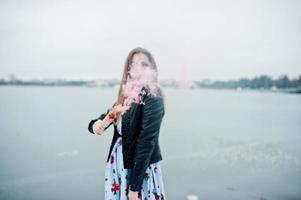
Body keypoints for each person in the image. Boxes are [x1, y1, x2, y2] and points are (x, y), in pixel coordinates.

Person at [88, 47, 166, 200]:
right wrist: (97, 125)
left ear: (152, 69)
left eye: (144, 64)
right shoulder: (128, 93)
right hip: (119, 163)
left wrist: (134, 187)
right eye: (133, 64)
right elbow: (109, 115)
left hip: (139, 170)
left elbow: (146, 142)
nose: (138, 68)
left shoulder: (153, 97)